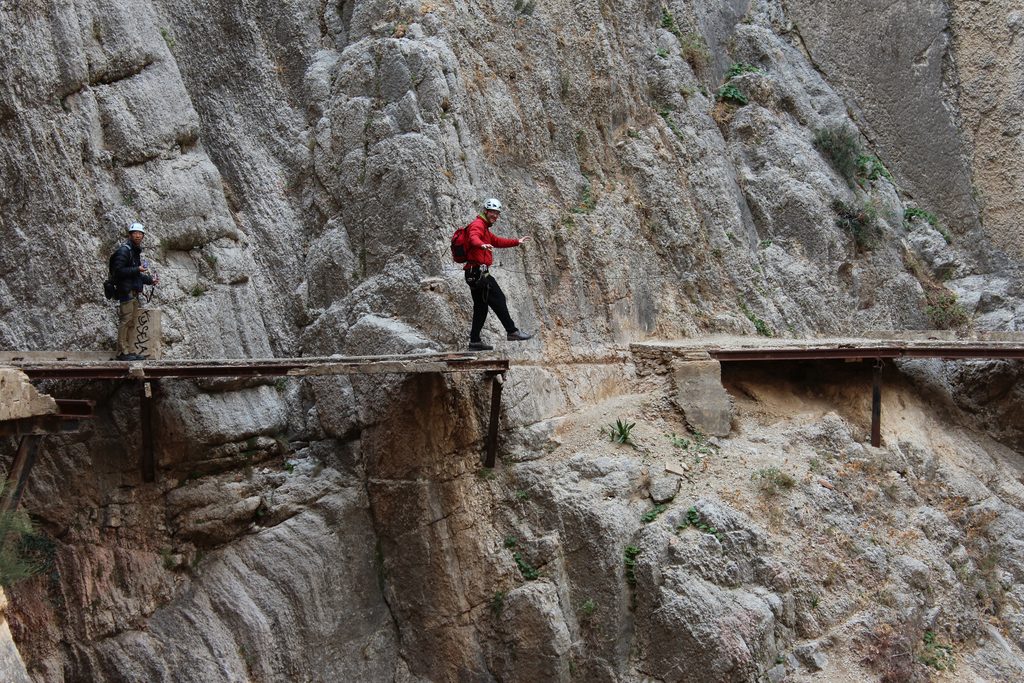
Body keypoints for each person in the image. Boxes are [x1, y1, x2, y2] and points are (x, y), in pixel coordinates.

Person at [463, 198, 533, 351]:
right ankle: (512, 331)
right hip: (478, 273)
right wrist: (481, 244)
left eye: (497, 213)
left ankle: (474, 342)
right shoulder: (478, 225)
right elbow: (473, 237)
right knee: (499, 298)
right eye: (492, 212)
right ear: (485, 211)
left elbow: (497, 241)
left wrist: (517, 241)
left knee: (481, 308)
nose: (495, 215)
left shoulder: (485, 228)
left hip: (475, 273)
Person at [111, 222, 159, 360]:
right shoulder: (124, 251)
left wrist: (150, 280)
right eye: (135, 233)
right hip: (125, 291)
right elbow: (118, 271)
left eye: (140, 233)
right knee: (125, 321)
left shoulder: (134, 252)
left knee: (131, 322)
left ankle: (129, 350)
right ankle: (122, 352)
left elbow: (135, 275)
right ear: (130, 235)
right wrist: (137, 269)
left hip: (132, 292)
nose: (138, 236)